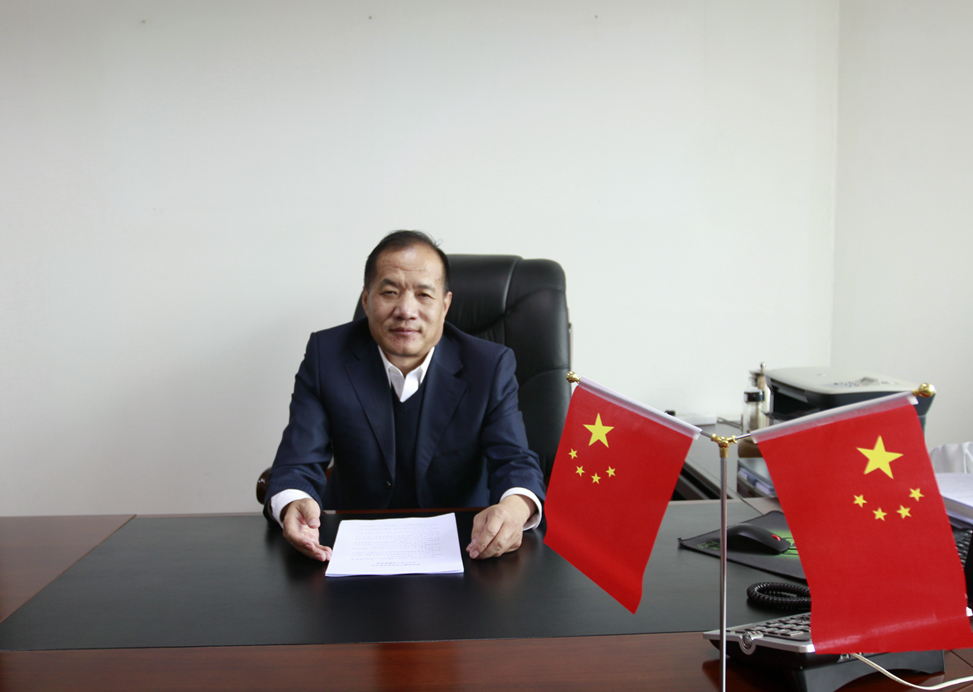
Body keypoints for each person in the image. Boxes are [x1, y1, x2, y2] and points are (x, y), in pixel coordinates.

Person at [264, 231, 546, 562]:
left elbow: (515, 461)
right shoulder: (326, 357)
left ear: (445, 305)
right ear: (366, 300)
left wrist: (515, 508)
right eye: (390, 292)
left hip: (465, 546)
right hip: (353, 547)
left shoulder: (488, 366)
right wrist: (293, 502)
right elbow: (297, 462)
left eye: (424, 295)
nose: (406, 310)